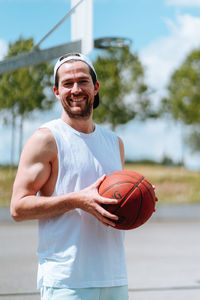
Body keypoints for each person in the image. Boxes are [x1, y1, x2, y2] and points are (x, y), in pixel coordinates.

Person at [10, 53, 128, 300]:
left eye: (83, 81)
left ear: (95, 88)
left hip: (115, 278)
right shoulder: (46, 139)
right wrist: (76, 200)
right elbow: (18, 208)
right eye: (67, 83)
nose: (76, 89)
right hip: (67, 282)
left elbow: (117, 202)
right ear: (56, 91)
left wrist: (141, 201)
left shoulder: (114, 143)